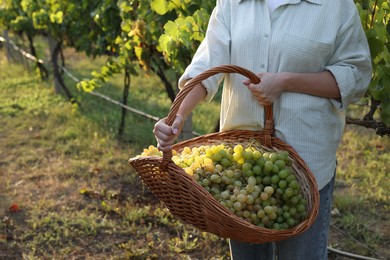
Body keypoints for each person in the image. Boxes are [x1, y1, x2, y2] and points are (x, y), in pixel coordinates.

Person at [153, 0, 372, 259]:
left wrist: (285, 81)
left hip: (308, 169)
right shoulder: (232, 3)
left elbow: (356, 76)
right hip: (241, 171)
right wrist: (177, 117)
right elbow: (207, 65)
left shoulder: (336, 6)